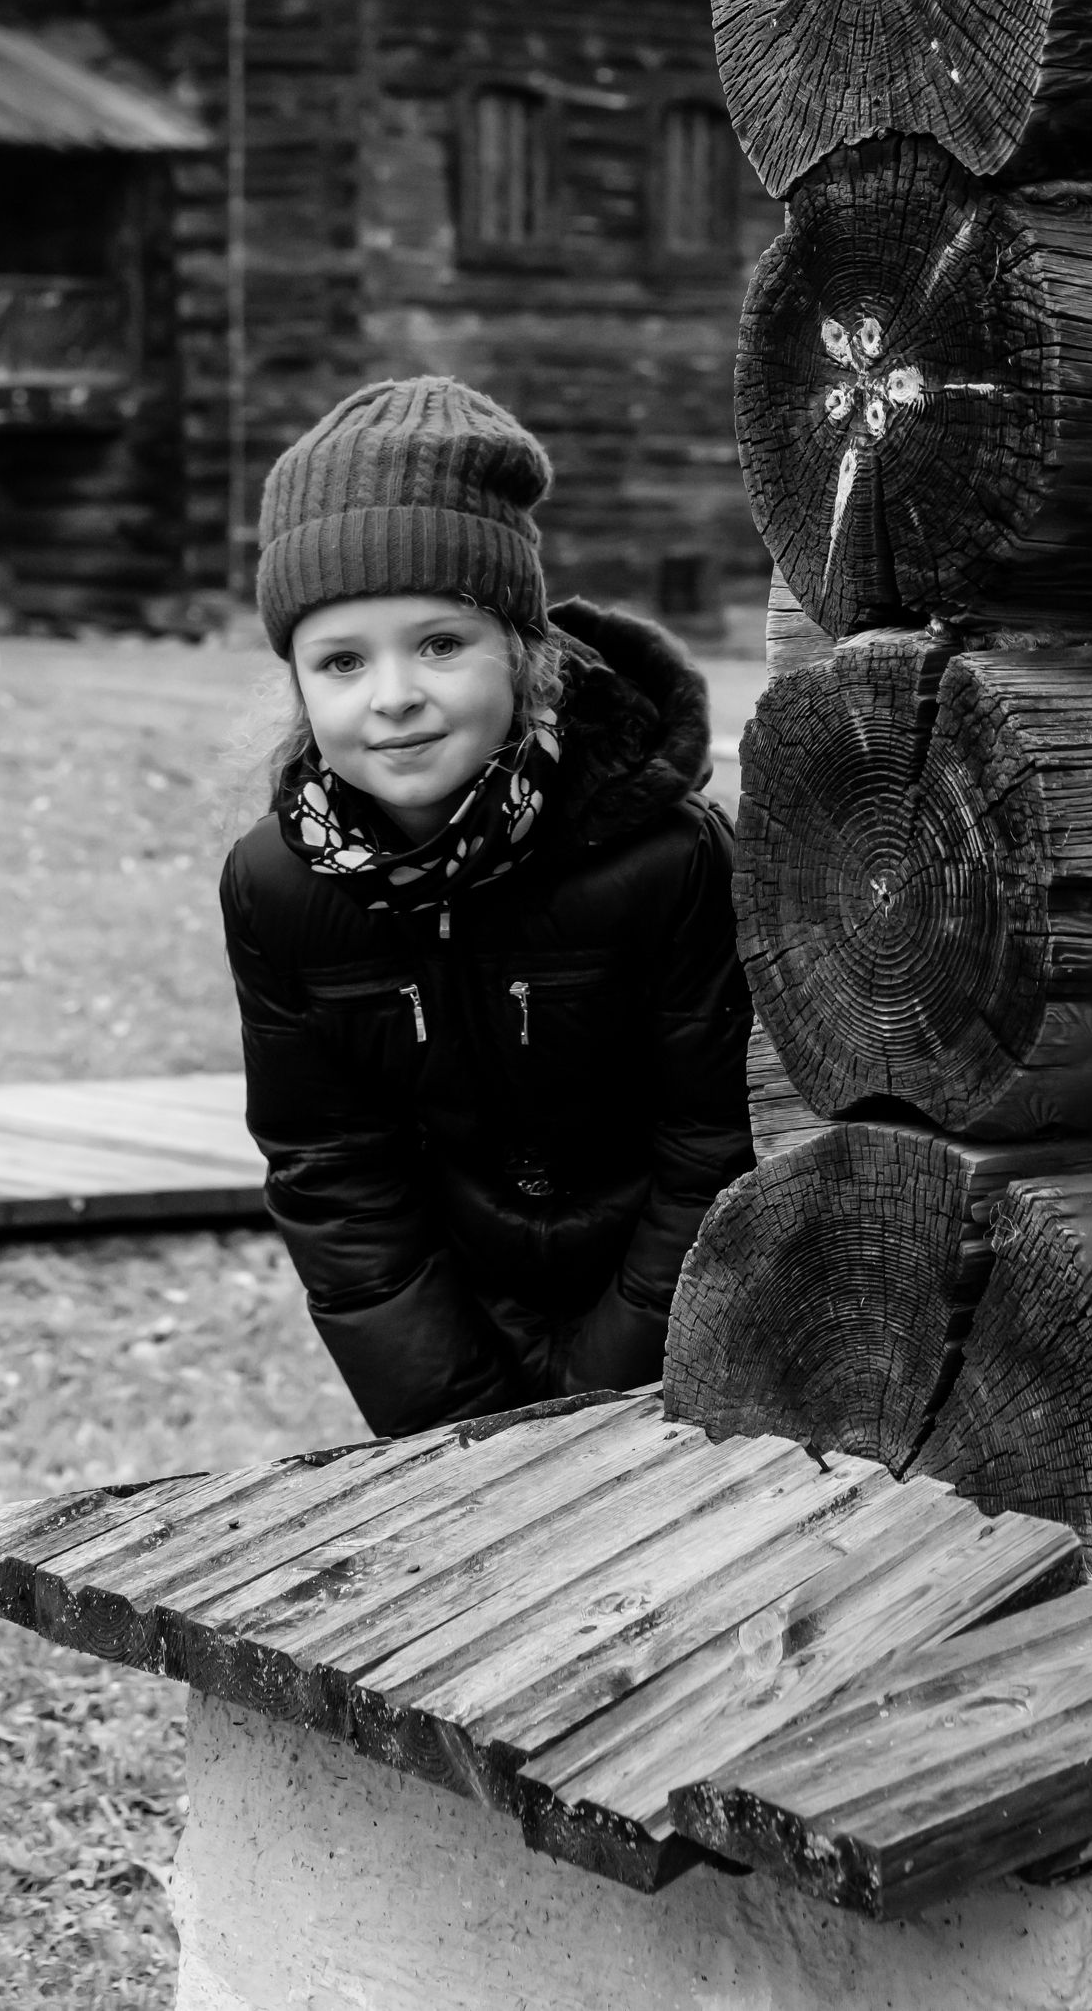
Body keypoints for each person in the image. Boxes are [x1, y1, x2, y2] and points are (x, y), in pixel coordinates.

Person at [220, 373, 753, 1436]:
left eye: (440, 644)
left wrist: (603, 1396)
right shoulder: (277, 888)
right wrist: (459, 1418)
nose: (394, 695)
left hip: (671, 1334)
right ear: (299, 686)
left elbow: (715, 1145)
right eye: (341, 660)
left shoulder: (665, 857)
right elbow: (333, 1170)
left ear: (522, 650)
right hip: (459, 1339)